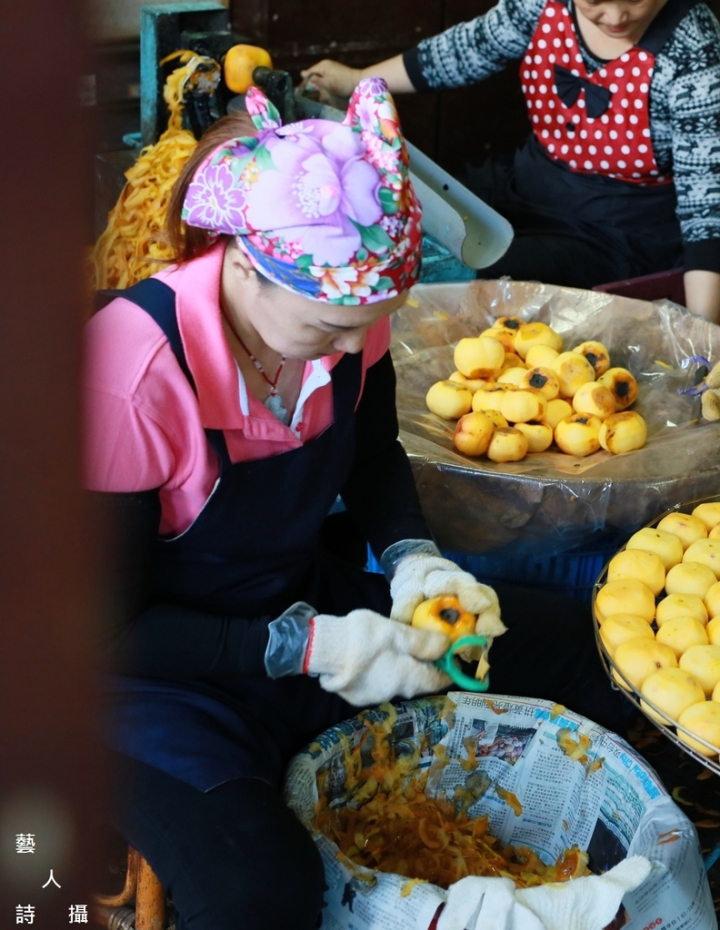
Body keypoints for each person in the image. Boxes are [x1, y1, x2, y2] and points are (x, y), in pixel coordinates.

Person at [84, 78, 628, 930]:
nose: (346, 352)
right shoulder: (127, 377)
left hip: (297, 603)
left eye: (362, 331)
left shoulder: (346, 317)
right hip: (150, 678)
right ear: (240, 266)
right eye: (328, 331)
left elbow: (372, 456)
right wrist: (303, 646)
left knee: (574, 645)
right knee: (256, 893)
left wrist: (415, 560)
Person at [302, 0, 720, 323]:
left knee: (458, 277)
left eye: (637, 0)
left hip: (616, 230)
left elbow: (707, 210)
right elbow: (466, 51)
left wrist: (701, 335)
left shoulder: (695, 52)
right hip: (526, 181)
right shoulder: (541, 5)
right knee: (402, 223)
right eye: (594, 2)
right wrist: (357, 81)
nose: (615, 15)